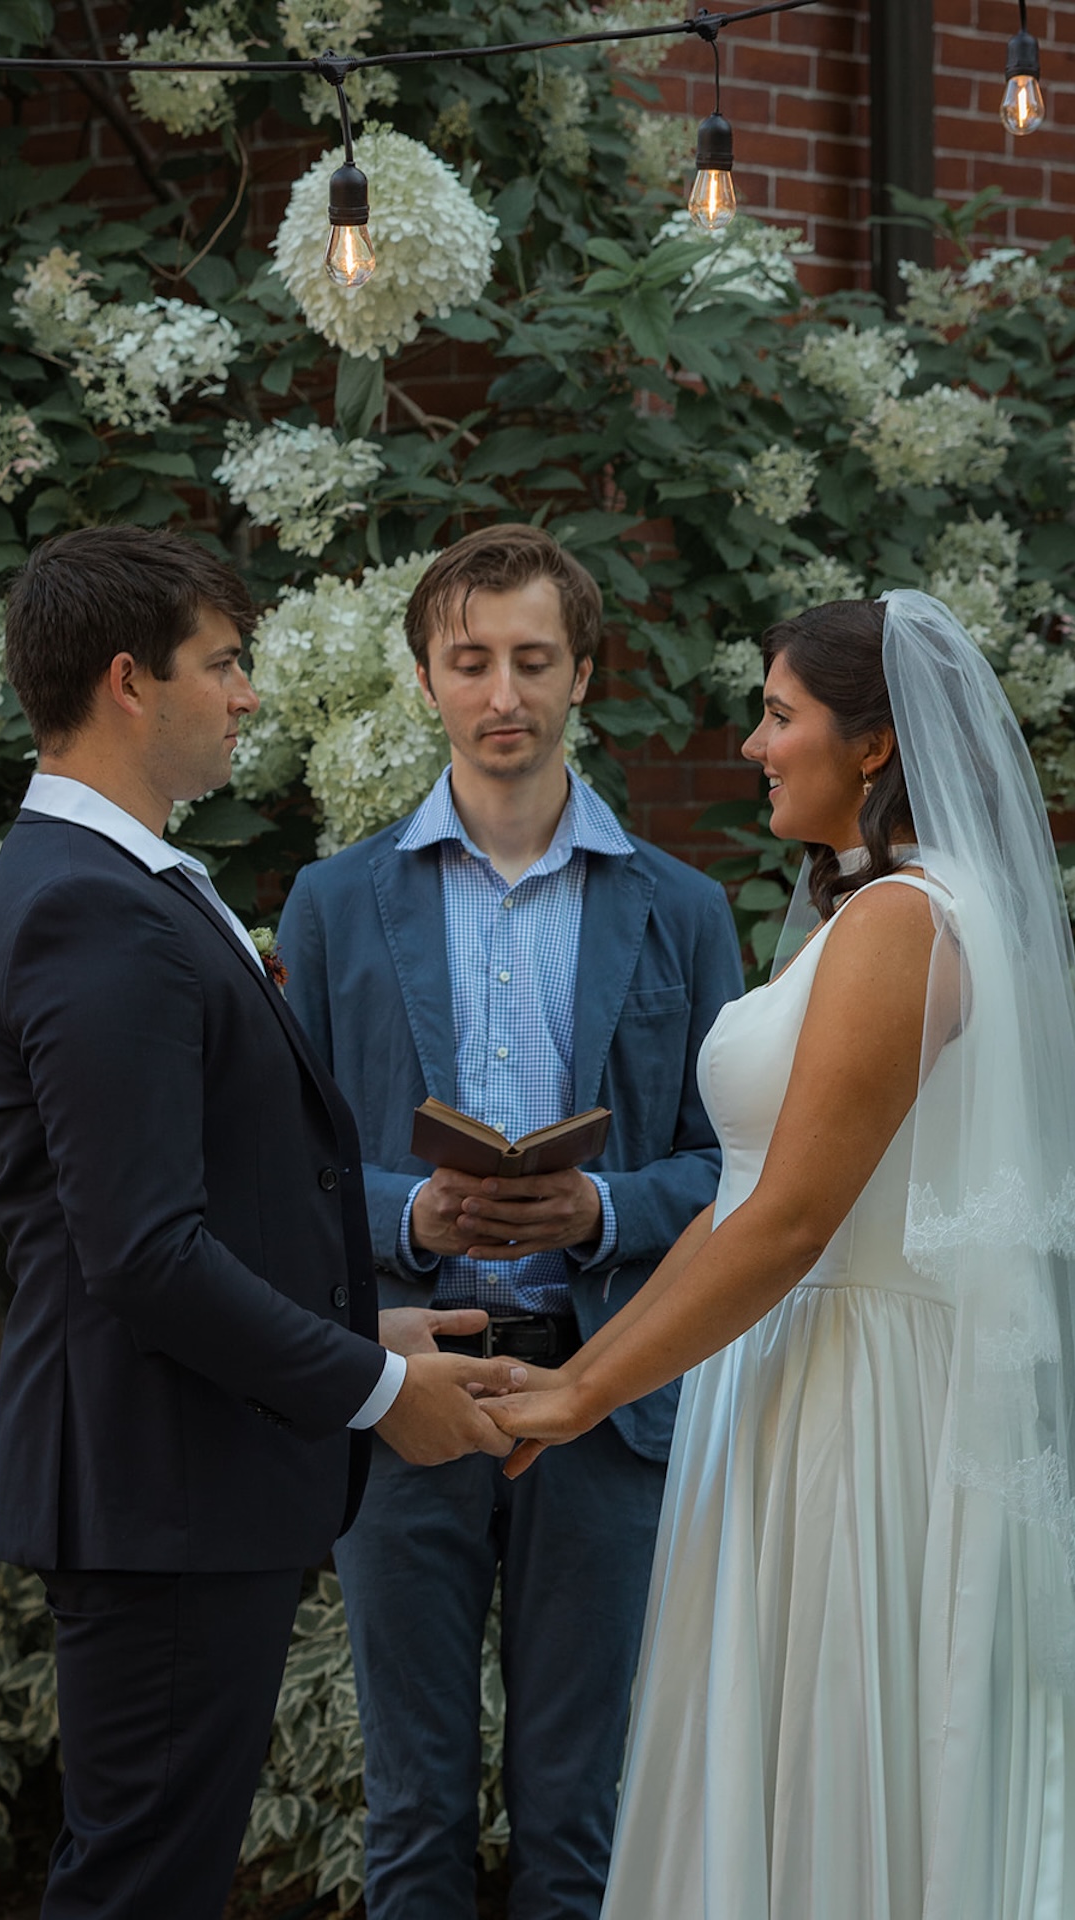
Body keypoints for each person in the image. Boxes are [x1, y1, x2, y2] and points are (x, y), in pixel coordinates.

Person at [488, 589, 1075, 1917]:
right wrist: (580, 1370)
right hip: (788, 1384)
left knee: (846, 1763)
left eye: (780, 716)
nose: (755, 745)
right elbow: (742, 1202)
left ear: (876, 745)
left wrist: (583, 1393)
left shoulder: (907, 925)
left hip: (863, 1414)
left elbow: (789, 1222)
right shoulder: (864, 916)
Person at [0, 525, 527, 1920]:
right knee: (142, 1886)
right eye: (224, 663)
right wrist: (380, 1387)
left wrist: (361, 1315)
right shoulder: (91, 910)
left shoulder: (125, 883)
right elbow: (143, 1254)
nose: (248, 694)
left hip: (184, 1480)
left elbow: (177, 1211)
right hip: (159, 1487)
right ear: (126, 682)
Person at [278, 522, 743, 1920]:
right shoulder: (333, 902)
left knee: (576, 1808)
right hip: (408, 1379)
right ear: (425, 678)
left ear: (583, 674)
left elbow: (738, 1166)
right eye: (469, 662)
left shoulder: (681, 909)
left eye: (534, 661)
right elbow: (280, 1177)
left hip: (602, 1391)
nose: (503, 696)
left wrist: (605, 1201)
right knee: (412, 1806)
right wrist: (410, 1208)